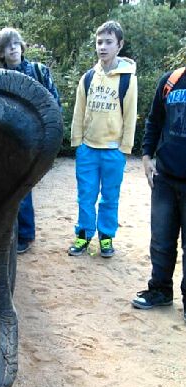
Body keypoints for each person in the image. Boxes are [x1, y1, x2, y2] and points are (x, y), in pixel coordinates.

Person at [69, 20, 137, 258]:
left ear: (119, 45)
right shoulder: (88, 77)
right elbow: (79, 111)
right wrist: (77, 142)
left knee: (110, 197)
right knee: (85, 196)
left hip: (113, 151)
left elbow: (130, 115)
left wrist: (125, 148)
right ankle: (83, 235)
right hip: (88, 149)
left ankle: (106, 238)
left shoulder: (128, 79)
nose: (103, 47)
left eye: (108, 42)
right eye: (99, 42)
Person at [0, 27, 62, 254]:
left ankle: (24, 235)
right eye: (6, 46)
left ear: (22, 46)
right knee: (5, 188)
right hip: (7, 140)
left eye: (15, 43)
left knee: (23, 187)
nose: (12, 48)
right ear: (0, 52)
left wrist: (48, 138)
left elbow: (54, 104)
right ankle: (9, 233)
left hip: (33, 139)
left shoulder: (39, 71)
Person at [131, 66, 186, 322]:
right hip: (165, 176)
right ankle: (160, 290)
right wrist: (146, 156)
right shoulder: (171, 81)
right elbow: (154, 120)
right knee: (161, 241)